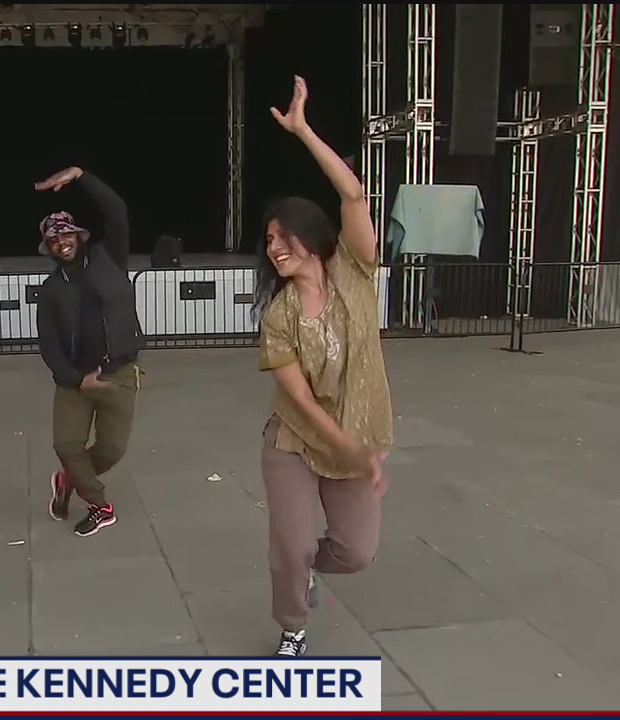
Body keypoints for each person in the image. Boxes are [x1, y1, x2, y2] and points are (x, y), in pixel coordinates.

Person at [254, 77, 394, 656]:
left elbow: (354, 198)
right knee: (290, 546)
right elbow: (302, 403)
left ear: (313, 238)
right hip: (295, 441)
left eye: (285, 236)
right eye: (268, 240)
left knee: (356, 553)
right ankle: (293, 626)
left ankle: (307, 568)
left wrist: (303, 130)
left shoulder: (355, 276)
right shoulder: (278, 317)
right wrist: (350, 452)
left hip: (359, 435)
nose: (275, 247)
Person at [33, 166, 144, 538]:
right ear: (48, 247)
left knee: (111, 451)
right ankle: (99, 504)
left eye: (65, 234)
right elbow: (48, 344)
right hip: (77, 380)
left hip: (118, 374)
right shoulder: (50, 291)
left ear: (78, 236)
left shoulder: (109, 258)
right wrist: (75, 380)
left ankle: (68, 481)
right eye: (53, 239)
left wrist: (82, 177)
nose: (61, 241)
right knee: (66, 443)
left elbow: (117, 211)